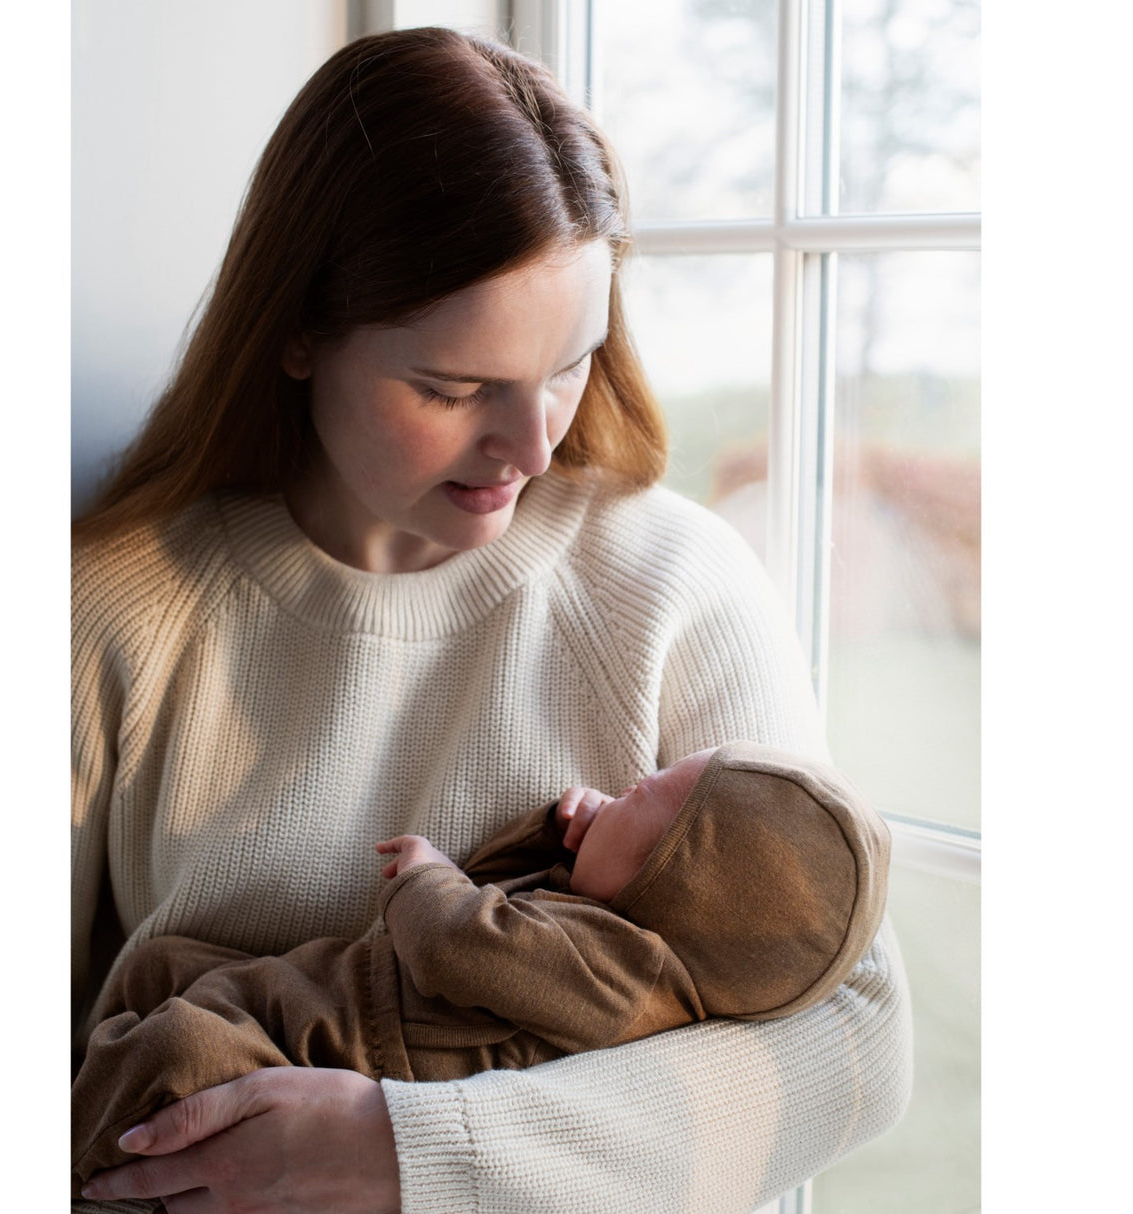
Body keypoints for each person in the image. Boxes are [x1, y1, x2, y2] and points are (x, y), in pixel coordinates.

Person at [72, 25, 911, 1214]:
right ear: (296, 332)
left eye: (568, 364)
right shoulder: (112, 613)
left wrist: (419, 1153)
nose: (533, 444)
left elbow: (855, 1039)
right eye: (452, 387)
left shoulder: (674, 580)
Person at [72, 741, 891, 1192]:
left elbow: (468, 946)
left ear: (671, 888)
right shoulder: (605, 923)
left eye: (638, 795)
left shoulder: (628, 970)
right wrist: (563, 837)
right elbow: (506, 891)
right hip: (315, 990)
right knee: (159, 966)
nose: (614, 791)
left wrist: (428, 877)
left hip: (339, 1046)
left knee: (176, 1053)